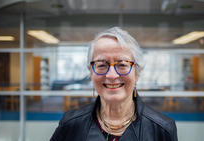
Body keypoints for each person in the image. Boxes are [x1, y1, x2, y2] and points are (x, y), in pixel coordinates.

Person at [50, 27, 178, 141]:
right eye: (101, 65)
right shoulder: (70, 125)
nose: (111, 75)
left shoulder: (162, 129)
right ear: (91, 72)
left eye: (122, 65)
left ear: (137, 73)